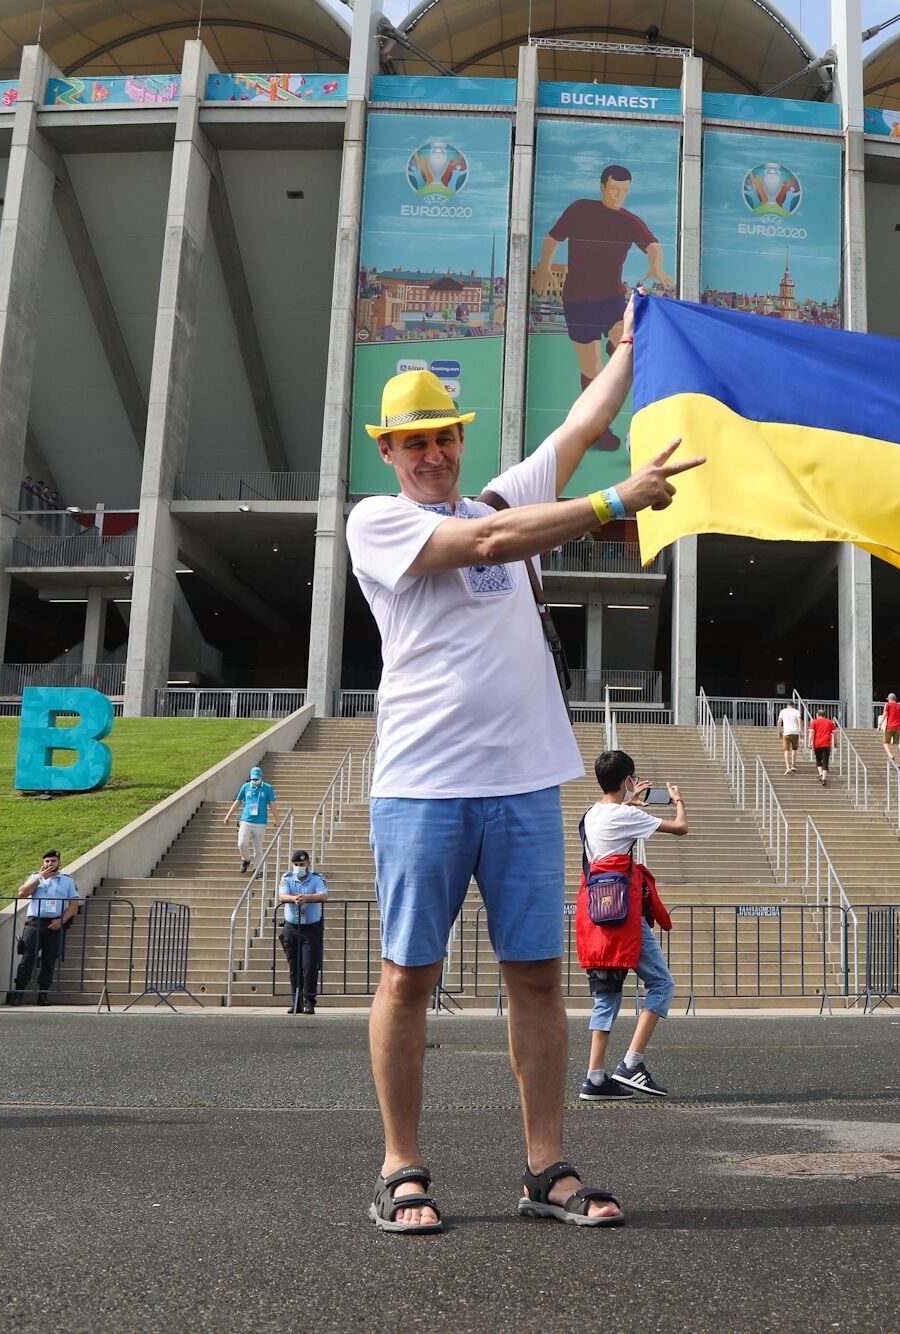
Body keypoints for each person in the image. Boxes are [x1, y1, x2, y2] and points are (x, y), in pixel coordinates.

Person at [345, 292, 703, 1234]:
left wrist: (631, 348)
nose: (431, 455)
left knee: (539, 978)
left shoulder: (501, 489)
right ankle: (400, 1167)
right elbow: (493, 542)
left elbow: (584, 425)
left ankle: (546, 1169)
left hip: (517, 786)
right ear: (386, 450)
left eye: (443, 439)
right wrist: (617, 503)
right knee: (407, 978)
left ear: (461, 440)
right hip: (421, 785)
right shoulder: (377, 523)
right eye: (412, 442)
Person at [531, 165, 671, 452]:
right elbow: (552, 238)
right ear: (602, 186)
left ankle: (617, 353)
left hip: (612, 299)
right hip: (578, 301)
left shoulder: (629, 221)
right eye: (614, 189)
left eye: (625, 191)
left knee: (629, 346)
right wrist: (544, 267)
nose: (619, 195)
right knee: (591, 365)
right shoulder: (580, 209)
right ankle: (599, 428)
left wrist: (655, 265)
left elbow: (653, 245)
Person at [574, 749, 687, 1100]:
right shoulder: (625, 817)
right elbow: (681, 829)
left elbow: (617, 820)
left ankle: (594, 1078)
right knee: (662, 985)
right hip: (624, 914)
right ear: (627, 780)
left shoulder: (591, 814)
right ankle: (632, 1065)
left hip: (596, 911)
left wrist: (631, 802)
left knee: (606, 994)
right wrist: (679, 801)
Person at [10, 850, 79, 1004]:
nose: (50, 864)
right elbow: (22, 893)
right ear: (43, 862)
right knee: (27, 958)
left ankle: (43, 994)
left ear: (59, 862)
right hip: (35, 924)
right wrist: (40, 878)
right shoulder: (35, 877)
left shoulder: (67, 880)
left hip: (55, 924)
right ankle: (18, 993)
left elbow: (74, 904)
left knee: (49, 961)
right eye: (47, 861)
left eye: (53, 861)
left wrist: (62, 921)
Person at [277, 850, 328, 1014]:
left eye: (302, 864)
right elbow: (282, 896)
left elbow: (323, 895)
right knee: (294, 967)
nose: (299, 867)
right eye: (297, 865)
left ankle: (309, 1001)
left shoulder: (317, 878)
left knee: (310, 966)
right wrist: (294, 899)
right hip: (291, 927)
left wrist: (306, 898)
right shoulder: (287, 877)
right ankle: (296, 1002)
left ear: (308, 864)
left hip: (311, 928)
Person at [228, 766, 278, 874]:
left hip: (260, 822)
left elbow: (272, 804)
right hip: (246, 820)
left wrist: (277, 819)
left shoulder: (267, 788)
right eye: (253, 779)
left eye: (256, 779)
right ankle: (246, 860)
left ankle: (257, 869)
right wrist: (228, 815)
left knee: (258, 847)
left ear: (261, 777)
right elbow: (238, 801)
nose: (255, 781)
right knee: (242, 844)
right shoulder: (246, 787)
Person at [776, 699, 805, 775]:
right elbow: (799, 721)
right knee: (794, 749)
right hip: (795, 732)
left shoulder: (783, 711)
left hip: (786, 733)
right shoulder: (796, 711)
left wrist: (779, 731)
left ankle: (788, 767)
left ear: (787, 705)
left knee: (786, 750)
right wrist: (801, 731)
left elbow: (779, 722)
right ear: (794, 705)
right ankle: (793, 765)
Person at [809, 709, 837, 786]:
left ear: (817, 715)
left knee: (818, 760)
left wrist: (809, 742)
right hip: (827, 744)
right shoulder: (830, 722)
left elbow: (811, 732)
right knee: (825, 761)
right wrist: (836, 743)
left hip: (817, 744)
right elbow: (835, 733)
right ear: (825, 715)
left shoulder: (814, 721)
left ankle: (821, 773)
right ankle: (824, 778)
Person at [881, 692, 900, 764]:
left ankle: (890, 755)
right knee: (896, 745)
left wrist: (880, 724)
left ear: (889, 699)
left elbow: (884, 714)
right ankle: (898, 761)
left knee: (885, 743)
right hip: (898, 728)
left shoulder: (888, 705)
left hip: (889, 727)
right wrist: (897, 720)